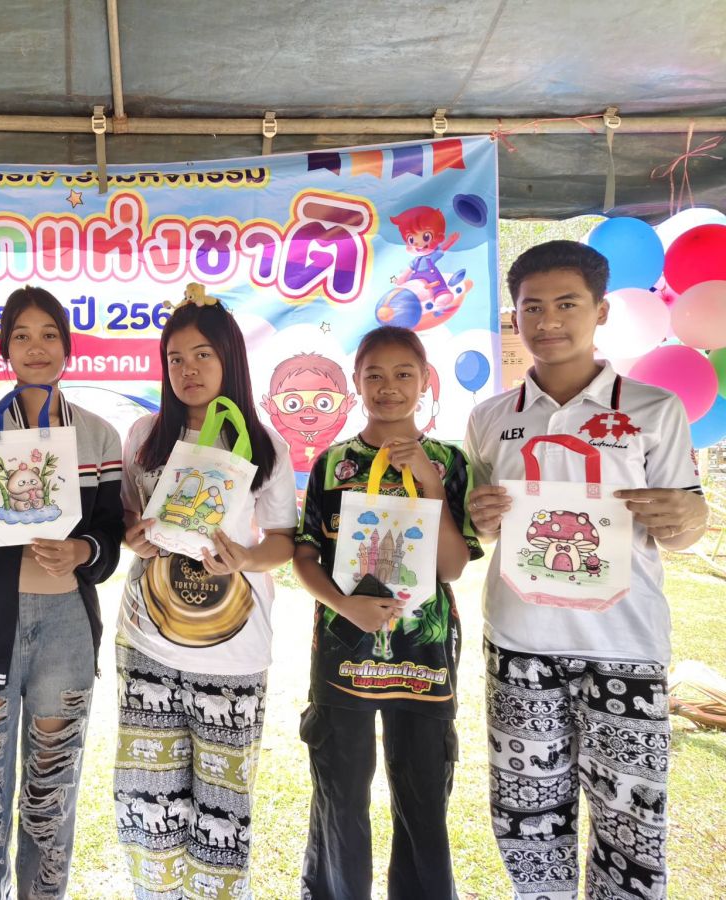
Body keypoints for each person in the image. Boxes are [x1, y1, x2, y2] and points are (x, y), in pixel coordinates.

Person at [465, 241, 708, 900]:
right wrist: (479, 517)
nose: (548, 321)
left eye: (567, 304)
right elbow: (479, 526)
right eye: (531, 307)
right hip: (519, 643)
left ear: (600, 311)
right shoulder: (490, 418)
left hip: (625, 646)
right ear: (515, 316)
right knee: (527, 821)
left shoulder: (653, 409)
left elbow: (687, 526)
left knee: (631, 829)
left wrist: (688, 515)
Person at [0, 285, 125, 899]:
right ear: (5, 349)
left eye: (48, 335)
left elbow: (110, 536)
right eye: (21, 335)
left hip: (66, 627)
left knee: (51, 791)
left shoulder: (98, 436)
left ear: (67, 346)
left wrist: (82, 552)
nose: (36, 347)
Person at [114, 288, 297, 900]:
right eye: (175, 358)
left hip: (233, 654)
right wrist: (134, 538)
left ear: (230, 360)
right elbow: (128, 519)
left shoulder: (264, 444)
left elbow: (283, 541)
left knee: (223, 815)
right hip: (147, 644)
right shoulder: (144, 435)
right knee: (147, 811)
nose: (188, 370)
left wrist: (246, 558)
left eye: (202, 355)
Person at [293, 325, 482, 900]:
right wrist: (342, 605)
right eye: (374, 374)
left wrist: (429, 484)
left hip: (423, 654)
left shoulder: (450, 461)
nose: (389, 387)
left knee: (424, 796)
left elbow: (452, 567)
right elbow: (305, 556)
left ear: (425, 382)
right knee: (340, 793)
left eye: (404, 374)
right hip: (344, 653)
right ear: (356, 382)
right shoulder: (331, 463)